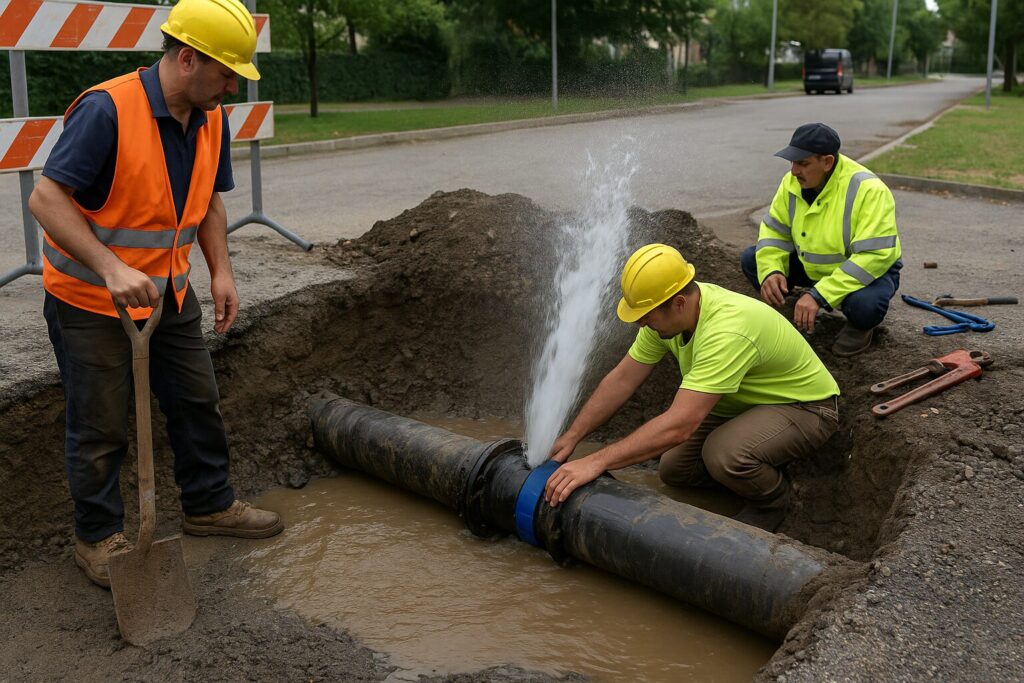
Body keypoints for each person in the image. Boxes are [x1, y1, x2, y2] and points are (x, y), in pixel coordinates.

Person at [28, 0, 281, 589]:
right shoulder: (107, 111)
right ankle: (96, 538)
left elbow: (210, 199)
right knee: (100, 423)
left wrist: (221, 270)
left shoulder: (210, 114)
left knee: (197, 399)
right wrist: (110, 268)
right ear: (187, 58)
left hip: (168, 289)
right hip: (90, 297)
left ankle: (208, 504)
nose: (232, 86)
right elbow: (46, 199)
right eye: (226, 73)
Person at [543, 244, 840, 531]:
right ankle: (746, 468)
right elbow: (623, 379)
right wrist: (573, 436)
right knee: (674, 469)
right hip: (744, 404)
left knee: (723, 454)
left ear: (679, 303)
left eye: (646, 315)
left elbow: (680, 426)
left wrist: (595, 462)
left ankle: (774, 499)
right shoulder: (668, 317)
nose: (641, 323)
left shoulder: (726, 330)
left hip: (805, 407)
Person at [741, 122, 902, 357]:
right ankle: (792, 309)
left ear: (827, 162)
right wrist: (771, 271)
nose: (794, 171)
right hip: (812, 266)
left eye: (803, 163)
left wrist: (820, 295)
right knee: (752, 259)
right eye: (793, 162)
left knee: (865, 306)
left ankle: (858, 328)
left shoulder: (869, 190)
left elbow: (873, 257)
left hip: (863, 271)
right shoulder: (791, 182)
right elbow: (774, 232)